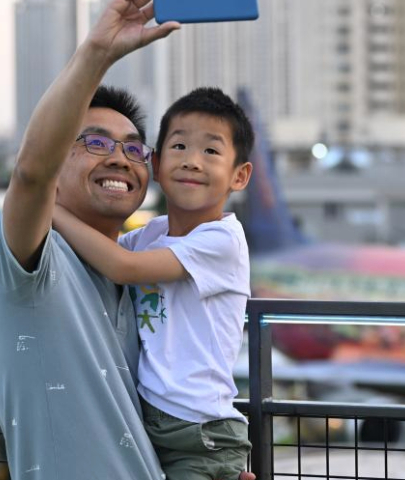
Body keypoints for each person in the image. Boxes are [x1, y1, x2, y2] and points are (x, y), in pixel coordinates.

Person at [0, 1, 254, 479]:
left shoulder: (139, 266)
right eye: (94, 142)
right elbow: (32, 174)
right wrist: (97, 52)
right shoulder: (33, 258)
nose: (119, 157)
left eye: (132, 147)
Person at [52, 86, 254, 480]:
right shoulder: (152, 234)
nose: (192, 162)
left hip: (201, 433)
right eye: (179, 147)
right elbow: (96, 252)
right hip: (153, 424)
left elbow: (121, 266)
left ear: (239, 175)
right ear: (157, 164)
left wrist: (54, 210)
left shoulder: (222, 240)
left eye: (211, 151)